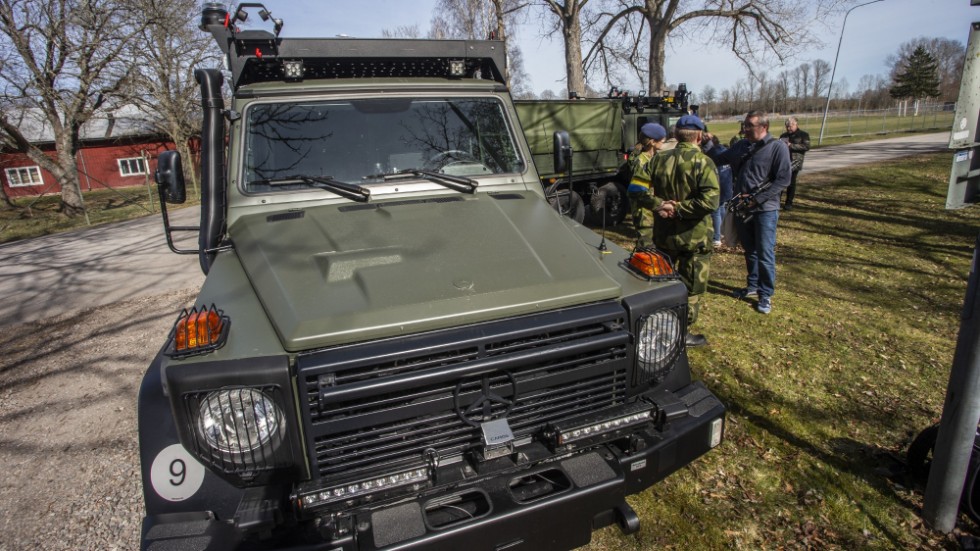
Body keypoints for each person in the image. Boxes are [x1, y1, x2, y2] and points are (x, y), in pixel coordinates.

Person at [703, 111, 791, 315]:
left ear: (764, 127)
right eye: (744, 125)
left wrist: (756, 199)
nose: (745, 129)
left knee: (765, 252)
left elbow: (783, 180)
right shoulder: (741, 146)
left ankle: (766, 293)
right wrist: (708, 144)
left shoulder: (777, 148)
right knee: (749, 250)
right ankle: (752, 286)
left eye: (750, 125)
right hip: (742, 209)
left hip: (765, 210)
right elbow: (718, 158)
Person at [646, 114, 719, 346]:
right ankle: (680, 333)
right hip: (693, 238)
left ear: (676, 135)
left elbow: (639, 190)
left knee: (661, 285)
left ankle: (656, 326)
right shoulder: (703, 162)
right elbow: (711, 201)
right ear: (699, 136)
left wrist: (661, 205)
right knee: (691, 289)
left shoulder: (657, 159)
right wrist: (678, 209)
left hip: (664, 236)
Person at [625, 122, 668, 247]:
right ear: (653, 142)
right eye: (662, 139)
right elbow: (636, 191)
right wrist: (659, 204)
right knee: (647, 247)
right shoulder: (642, 161)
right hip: (644, 210)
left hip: (650, 207)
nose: (664, 141)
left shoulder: (651, 157)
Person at [707, 135, 734, 247]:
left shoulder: (712, 154)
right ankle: (722, 232)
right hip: (727, 185)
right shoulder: (725, 150)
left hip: (718, 186)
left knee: (715, 211)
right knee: (722, 207)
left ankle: (716, 237)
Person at [779, 116, 810, 211]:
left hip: (795, 162)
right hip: (783, 161)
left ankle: (789, 203)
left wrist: (791, 146)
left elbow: (806, 146)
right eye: (787, 126)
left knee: (791, 183)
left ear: (795, 124)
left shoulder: (803, 135)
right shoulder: (783, 135)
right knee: (779, 182)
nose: (788, 128)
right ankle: (776, 202)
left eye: (790, 126)